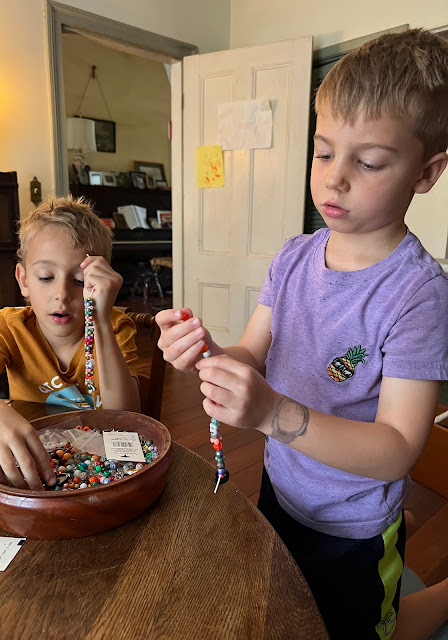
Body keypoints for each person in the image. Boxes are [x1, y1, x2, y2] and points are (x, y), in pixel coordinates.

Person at [155, 28, 448, 640]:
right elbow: (251, 353)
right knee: (287, 612)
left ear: (426, 173)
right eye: (323, 152)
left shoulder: (418, 295)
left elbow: (397, 448)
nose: (335, 178)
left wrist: (269, 414)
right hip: (283, 492)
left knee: (361, 630)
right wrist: (207, 353)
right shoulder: (293, 258)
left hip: (353, 524)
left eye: (368, 162)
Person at [0, 195, 140, 491]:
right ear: (23, 280)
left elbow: (125, 420)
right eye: (46, 277)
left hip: (103, 474)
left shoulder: (115, 327)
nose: (62, 294)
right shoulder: (5, 329)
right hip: (33, 467)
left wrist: (99, 319)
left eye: (80, 281)